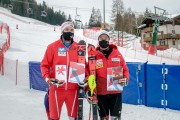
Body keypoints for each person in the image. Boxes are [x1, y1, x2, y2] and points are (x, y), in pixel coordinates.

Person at [41, 21, 80, 120]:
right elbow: (44, 65)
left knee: (73, 117)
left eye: (71, 30)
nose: (69, 32)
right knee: (54, 117)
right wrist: (48, 78)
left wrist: (85, 79)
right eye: (66, 30)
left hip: (73, 89)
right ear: (62, 31)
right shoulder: (53, 47)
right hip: (56, 89)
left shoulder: (79, 47)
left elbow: (83, 66)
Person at [86, 30, 130, 120]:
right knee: (104, 118)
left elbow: (125, 69)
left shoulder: (117, 53)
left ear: (109, 39)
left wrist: (126, 78)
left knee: (116, 118)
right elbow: (89, 74)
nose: (103, 40)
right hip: (101, 94)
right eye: (101, 38)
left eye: (105, 38)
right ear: (98, 41)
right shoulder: (94, 56)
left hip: (116, 93)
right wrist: (89, 90)